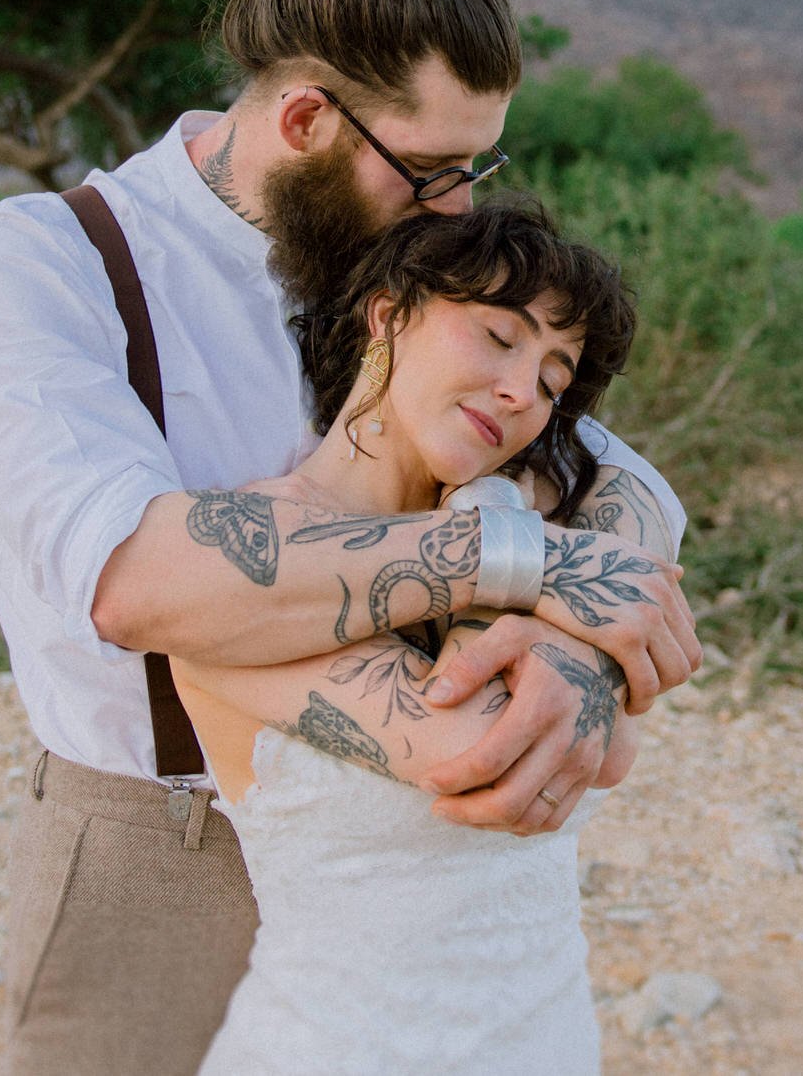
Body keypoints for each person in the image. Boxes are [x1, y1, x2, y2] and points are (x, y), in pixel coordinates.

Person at [0, 0, 700, 1075]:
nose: (459, 208)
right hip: (157, 844)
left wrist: (570, 646)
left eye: (479, 169)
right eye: (434, 170)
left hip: (401, 848)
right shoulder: (50, 262)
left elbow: (623, 478)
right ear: (302, 118)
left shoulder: (410, 261)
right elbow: (139, 583)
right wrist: (524, 562)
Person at [181, 201, 636, 1074]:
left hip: (546, 1042)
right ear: (389, 315)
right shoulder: (246, 555)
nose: (521, 395)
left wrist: (499, 525)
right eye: (501, 338)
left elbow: (608, 752)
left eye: (552, 381)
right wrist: (515, 540)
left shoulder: (520, 535)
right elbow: (484, 749)